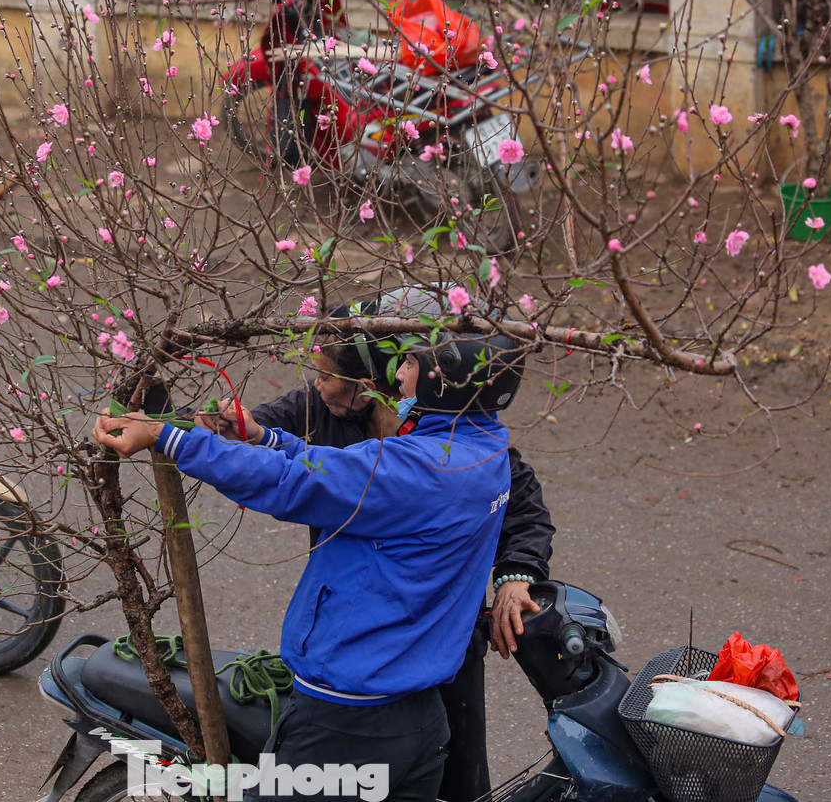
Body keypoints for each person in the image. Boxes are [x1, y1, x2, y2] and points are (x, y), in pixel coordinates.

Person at [94, 330, 525, 802]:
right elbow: (346, 470)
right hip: (420, 717)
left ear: (446, 386)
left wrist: (167, 437)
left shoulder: (420, 469)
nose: (398, 375)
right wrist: (266, 437)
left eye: (411, 366)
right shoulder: (482, 451)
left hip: (349, 724)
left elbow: (292, 484)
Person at [251, 334, 554, 801]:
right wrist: (176, 429)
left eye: (328, 376)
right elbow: (245, 433)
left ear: (372, 382)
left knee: (456, 780)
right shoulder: (318, 409)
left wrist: (517, 575)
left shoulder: (457, 436)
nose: (318, 387)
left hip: (440, 649)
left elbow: (524, 508)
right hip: (359, 648)